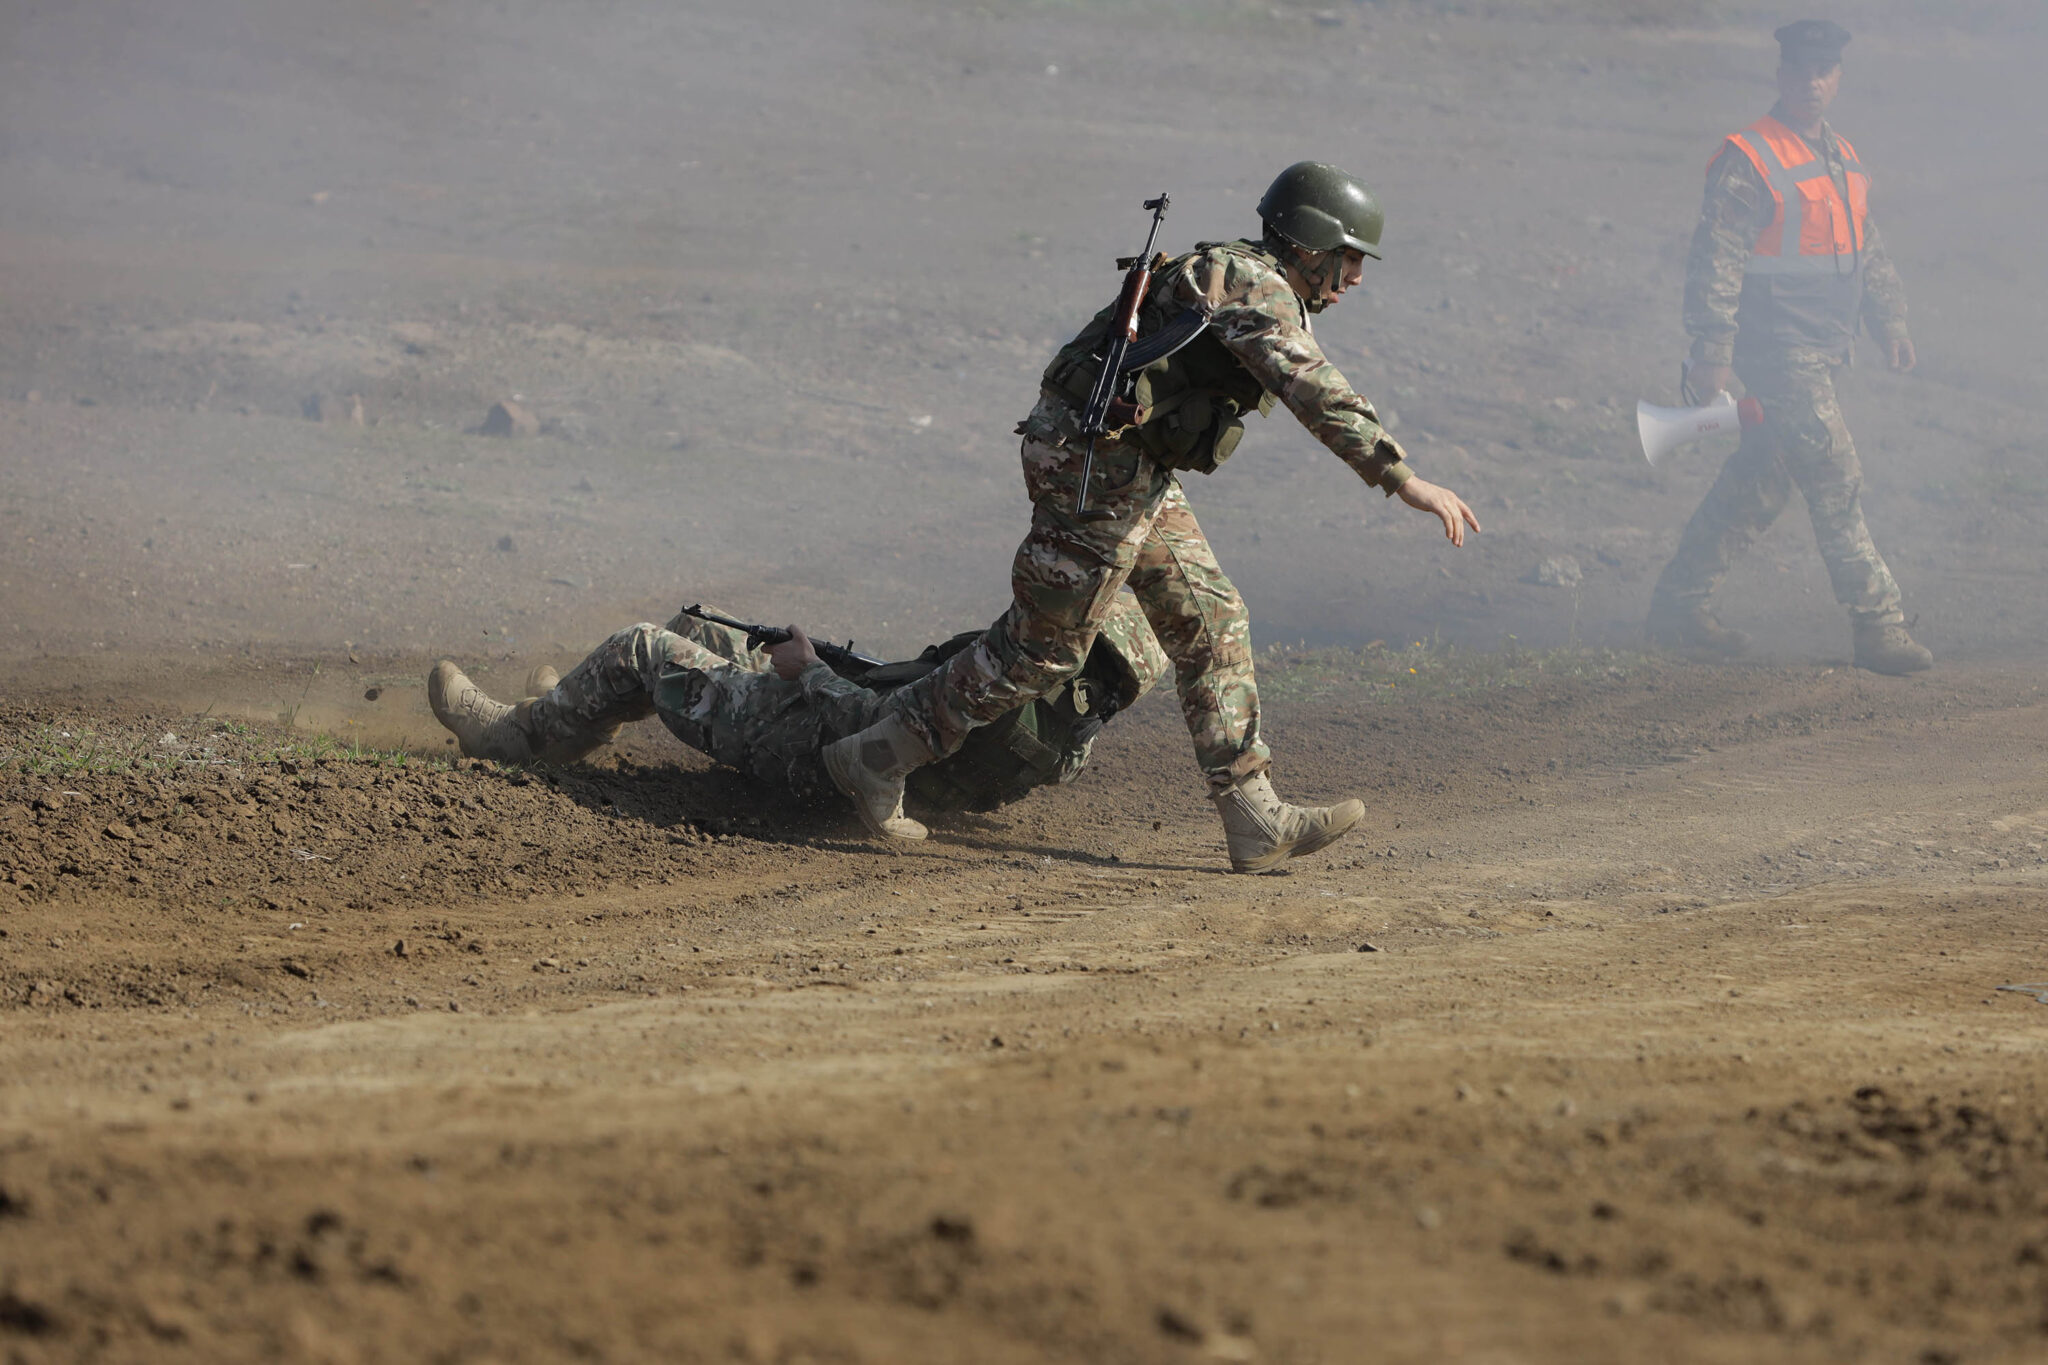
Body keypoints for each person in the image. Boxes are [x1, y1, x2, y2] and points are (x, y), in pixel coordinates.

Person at [821, 162, 1481, 873]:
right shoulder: (1255, 284)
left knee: (1211, 616)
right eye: (1351, 258)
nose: (1355, 277)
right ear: (1315, 244)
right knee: (1042, 651)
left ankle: (1253, 814)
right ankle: (876, 754)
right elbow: (1312, 387)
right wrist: (1399, 476)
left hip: (1121, 464)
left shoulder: (1244, 277)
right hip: (1092, 464)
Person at [1646, 19, 1930, 675]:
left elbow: (1868, 247)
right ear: (1781, 77)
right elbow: (1715, 256)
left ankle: (1677, 609)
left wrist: (1891, 321)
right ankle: (1879, 625)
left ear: (1838, 78)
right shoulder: (1752, 156)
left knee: (1762, 481)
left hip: (1823, 346)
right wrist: (1712, 346)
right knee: (1834, 472)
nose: (1812, 83)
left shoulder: (1844, 159)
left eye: (1824, 72)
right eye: (1800, 72)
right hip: (1774, 348)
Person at [425, 596, 1169, 840]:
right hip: (832, 755)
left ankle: (514, 737)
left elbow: (885, 728)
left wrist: (811, 666)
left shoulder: (1001, 682)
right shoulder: (1069, 740)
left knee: (641, 649)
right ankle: (571, 717)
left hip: (805, 745)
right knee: (710, 631)